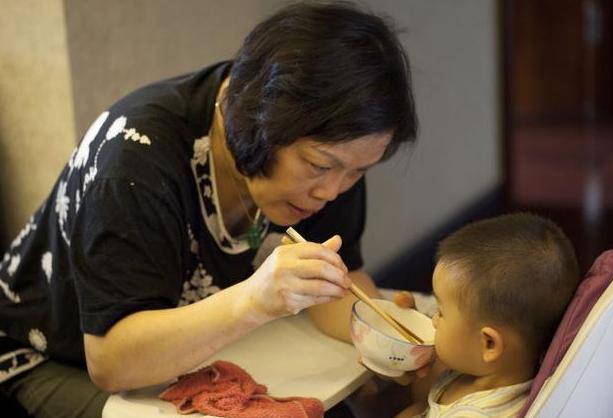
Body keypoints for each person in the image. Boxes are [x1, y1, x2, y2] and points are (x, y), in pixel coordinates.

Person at [0, 2, 417, 417]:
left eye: (358, 172)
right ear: (261, 121)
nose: (332, 191)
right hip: (46, 359)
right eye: (320, 166)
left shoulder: (330, 156)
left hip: (187, 352)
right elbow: (112, 361)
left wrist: (386, 336)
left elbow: (333, 284)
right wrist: (255, 301)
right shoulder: (135, 160)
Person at [395, 213, 581, 418]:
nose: (433, 320)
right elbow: (426, 404)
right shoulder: (477, 369)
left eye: (441, 312)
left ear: (489, 344)